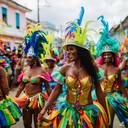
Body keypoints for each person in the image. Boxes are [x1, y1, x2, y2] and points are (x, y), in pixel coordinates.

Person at [37, 17, 108, 128]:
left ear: (79, 51)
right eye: (67, 49)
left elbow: (99, 92)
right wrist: (44, 109)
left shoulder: (92, 68)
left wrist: (105, 114)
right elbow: (56, 91)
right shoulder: (65, 68)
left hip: (88, 112)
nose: (68, 53)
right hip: (68, 111)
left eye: (71, 49)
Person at [14, 24, 52, 128]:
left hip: (37, 100)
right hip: (26, 99)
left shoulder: (42, 70)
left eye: (29, 57)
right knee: (26, 124)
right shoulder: (25, 69)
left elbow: (48, 88)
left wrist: (52, 103)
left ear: (35, 59)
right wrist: (15, 99)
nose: (27, 59)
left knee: (37, 124)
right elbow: (21, 86)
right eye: (26, 57)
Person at [96, 16, 128, 128]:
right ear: (102, 56)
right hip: (97, 96)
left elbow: (120, 84)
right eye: (104, 54)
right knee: (99, 123)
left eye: (109, 54)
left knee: (108, 123)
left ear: (113, 55)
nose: (106, 56)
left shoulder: (117, 69)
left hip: (112, 98)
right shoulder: (97, 67)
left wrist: (126, 96)